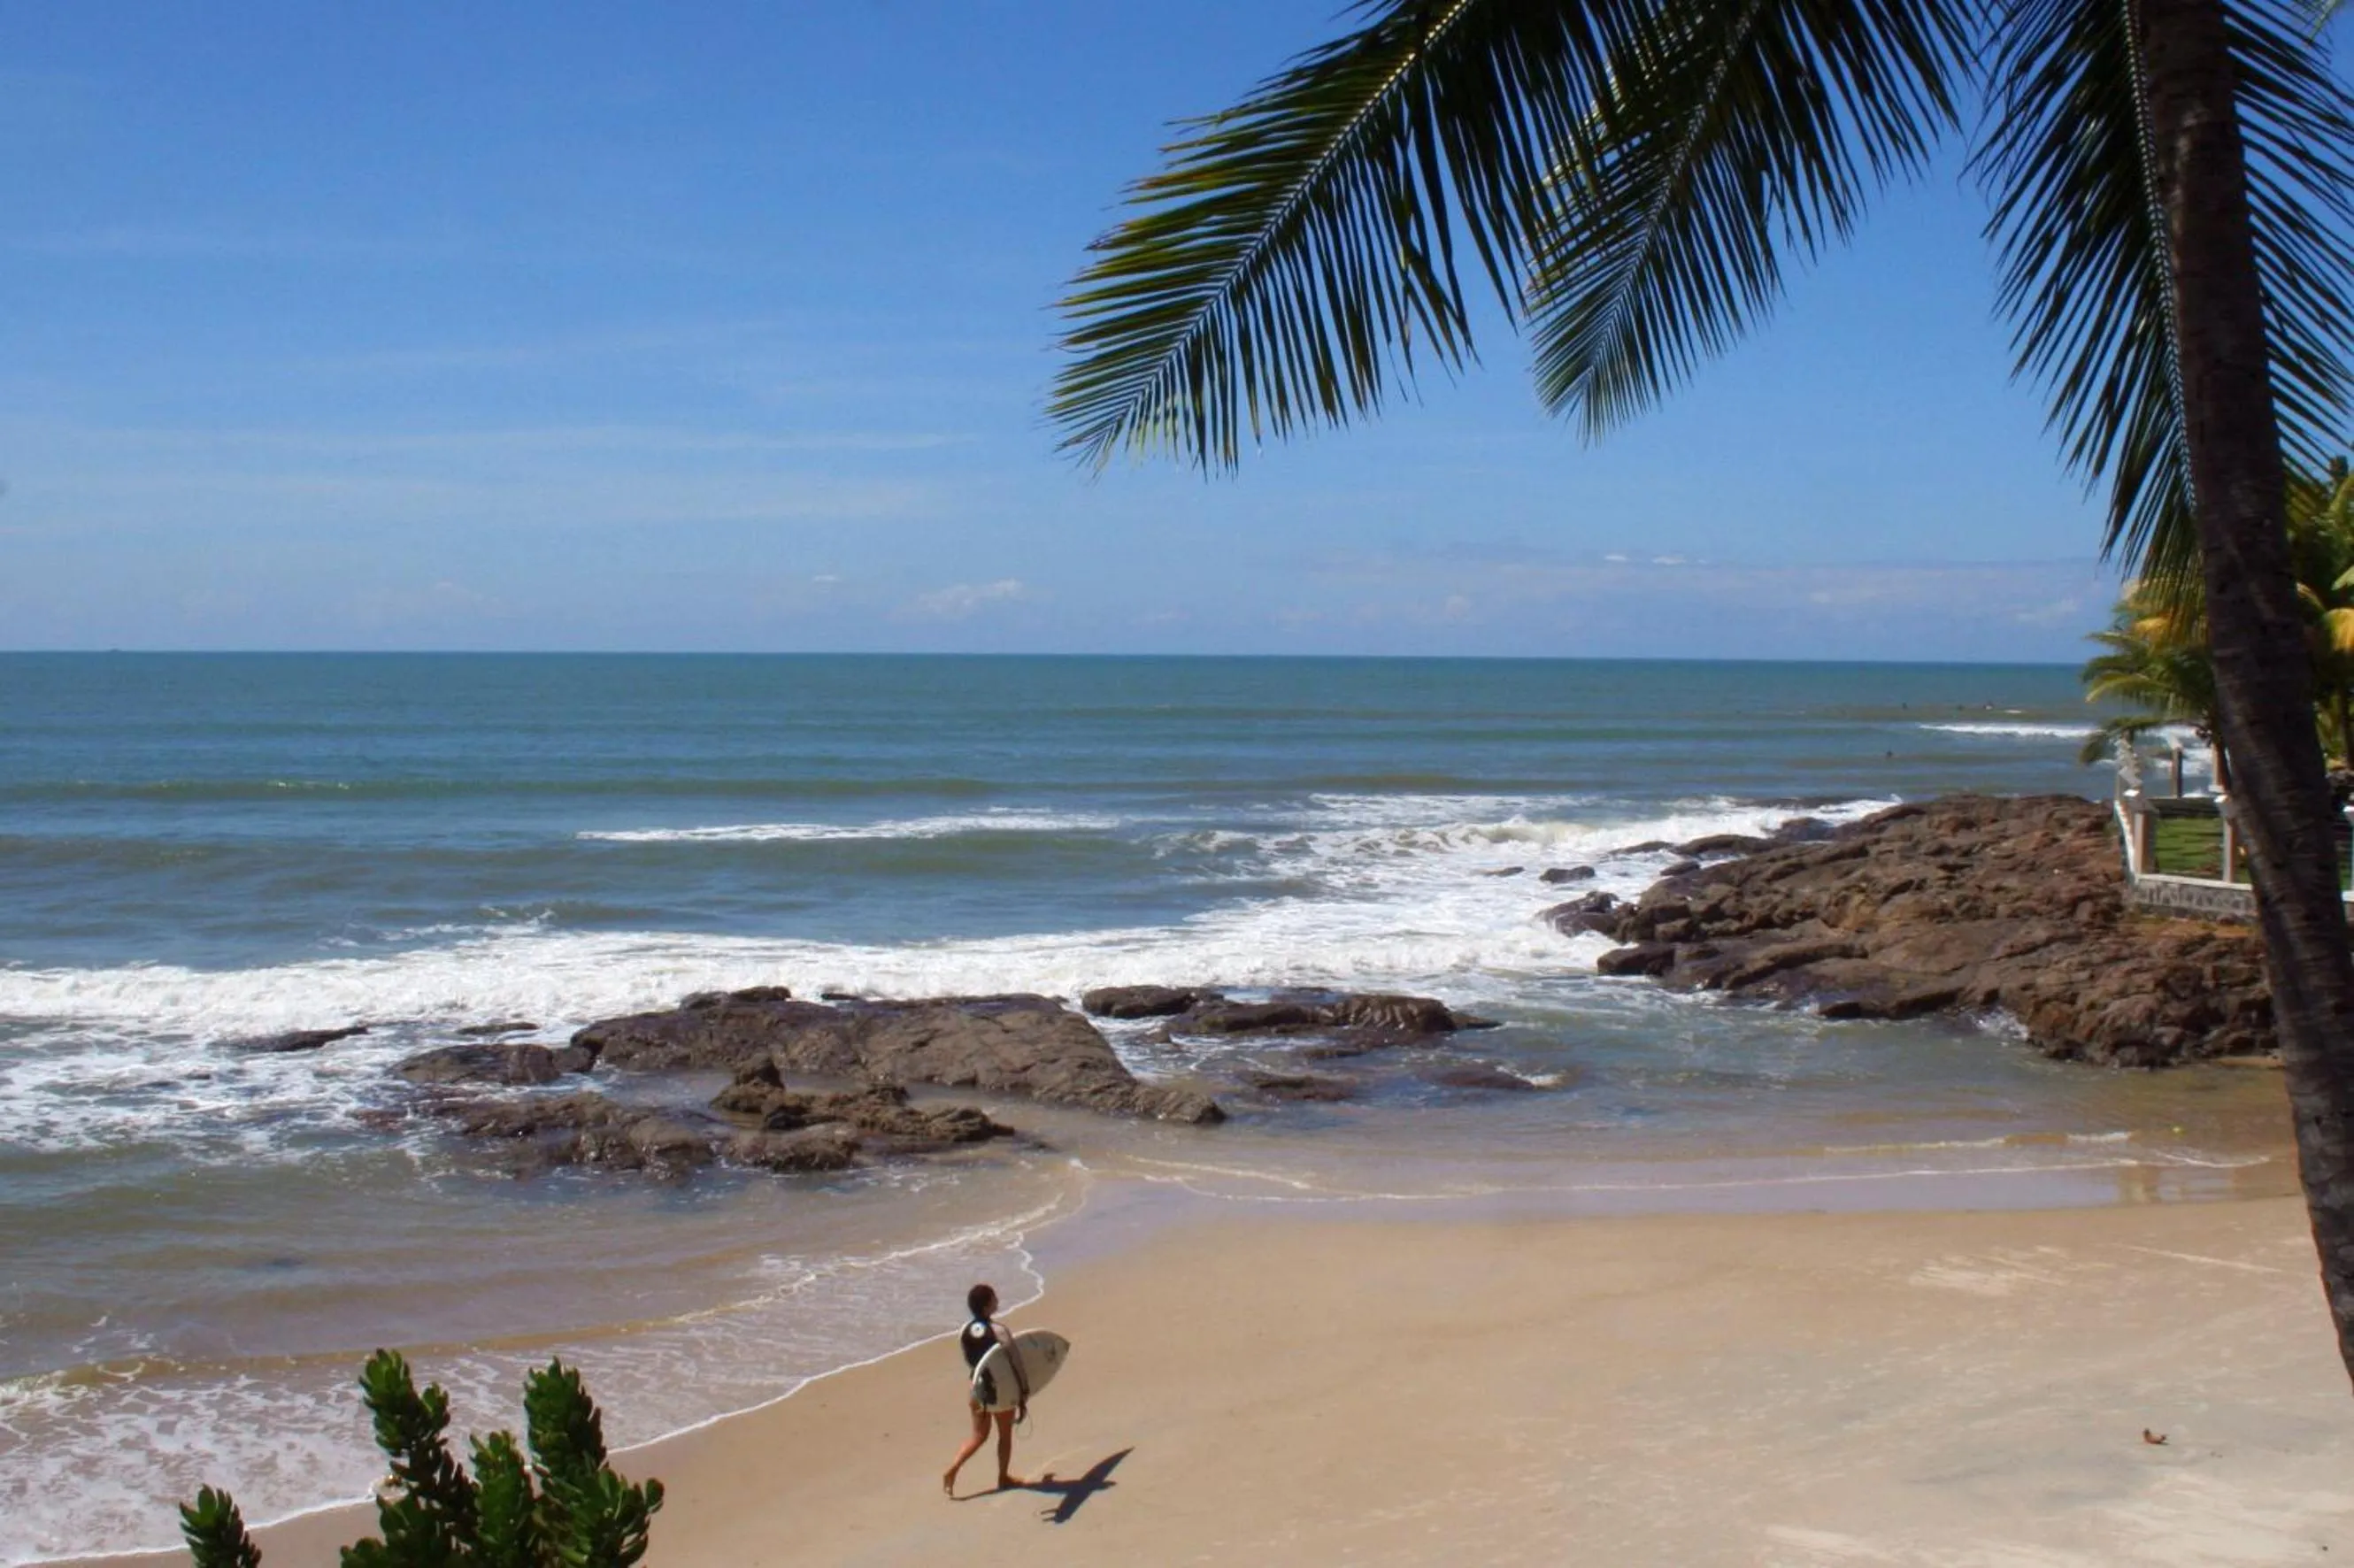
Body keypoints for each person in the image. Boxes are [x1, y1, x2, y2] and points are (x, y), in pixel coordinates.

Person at [942, 1282, 1028, 1496]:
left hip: (977, 1390)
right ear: (987, 1305)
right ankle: (1003, 1478)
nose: (997, 1300)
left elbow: (971, 1362)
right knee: (1005, 1435)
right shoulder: (1000, 1331)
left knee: (978, 1436)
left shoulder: (964, 1331)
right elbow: (1016, 1363)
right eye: (994, 1298)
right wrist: (1024, 1390)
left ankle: (953, 1468)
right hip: (1001, 1391)